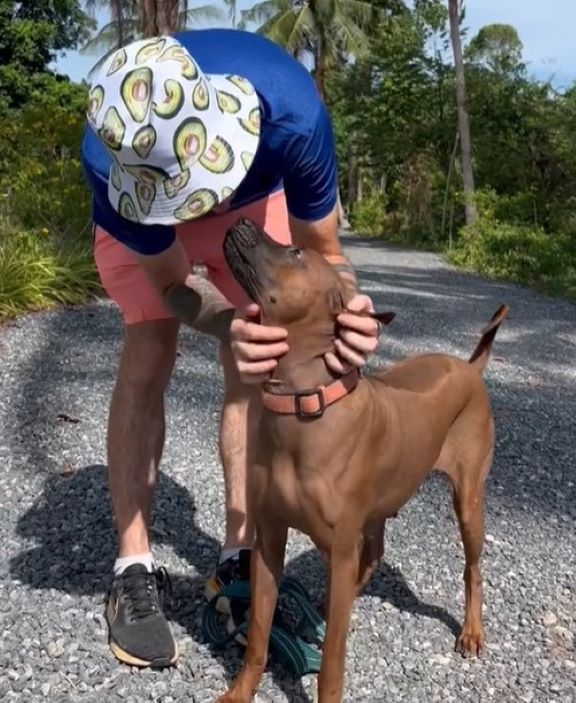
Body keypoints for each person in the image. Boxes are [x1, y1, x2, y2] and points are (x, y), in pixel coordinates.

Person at [81, 28, 382, 668]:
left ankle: (239, 554)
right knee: (147, 354)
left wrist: (346, 307)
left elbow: (327, 257)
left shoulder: (290, 114)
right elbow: (171, 285)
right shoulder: (113, 158)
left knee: (257, 370)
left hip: (254, 200)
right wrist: (230, 324)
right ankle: (133, 567)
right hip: (147, 222)